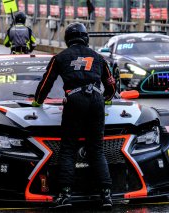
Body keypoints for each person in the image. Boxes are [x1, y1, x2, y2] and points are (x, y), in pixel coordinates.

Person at [32, 22, 116, 208]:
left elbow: (46, 82)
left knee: (68, 148)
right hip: (96, 99)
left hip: (75, 98)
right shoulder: (99, 57)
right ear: (86, 38)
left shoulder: (60, 57)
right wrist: (106, 99)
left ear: (67, 39)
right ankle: (106, 195)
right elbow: (111, 85)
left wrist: (38, 101)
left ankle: (65, 195)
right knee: (97, 149)